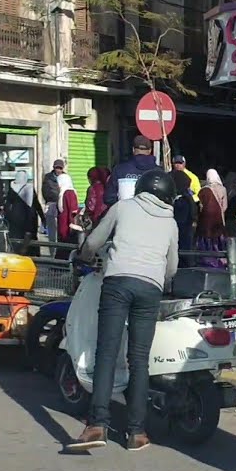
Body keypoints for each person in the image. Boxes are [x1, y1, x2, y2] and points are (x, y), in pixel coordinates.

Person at [65, 169, 179, 452]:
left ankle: (97, 426)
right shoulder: (171, 223)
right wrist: (157, 278)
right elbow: (172, 268)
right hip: (150, 289)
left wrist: (85, 257)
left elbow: (92, 243)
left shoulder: (123, 207)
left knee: (106, 352)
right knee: (139, 360)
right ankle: (137, 432)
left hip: (117, 283)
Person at [105, 135, 159, 205]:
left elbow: (109, 198)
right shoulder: (159, 172)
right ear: (150, 150)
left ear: (133, 149)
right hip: (152, 214)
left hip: (126, 213)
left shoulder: (119, 169)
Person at [197, 168, 229, 269]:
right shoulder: (222, 189)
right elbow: (225, 206)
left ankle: (208, 260)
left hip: (205, 220)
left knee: (207, 238)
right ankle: (221, 260)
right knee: (219, 239)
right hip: (219, 218)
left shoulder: (203, 190)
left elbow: (200, 207)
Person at [5, 169, 42, 253]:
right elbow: (36, 204)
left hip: (15, 217)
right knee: (30, 239)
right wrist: (42, 217)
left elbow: (7, 205)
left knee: (16, 239)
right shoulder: (29, 188)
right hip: (29, 216)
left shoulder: (12, 187)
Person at [170, 169, 197, 267]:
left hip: (181, 234)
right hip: (185, 233)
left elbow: (179, 221)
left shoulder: (181, 200)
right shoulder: (187, 197)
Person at [55, 171, 80, 258]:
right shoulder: (64, 192)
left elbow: (73, 211)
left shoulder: (69, 192)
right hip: (64, 225)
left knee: (65, 247)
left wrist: (72, 226)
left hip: (67, 227)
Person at [42, 159, 64, 242]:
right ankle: (52, 250)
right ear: (54, 168)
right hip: (52, 204)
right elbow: (45, 191)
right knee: (52, 230)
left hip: (62, 206)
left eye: (60, 168)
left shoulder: (65, 177)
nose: (58, 170)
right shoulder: (48, 177)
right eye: (57, 168)